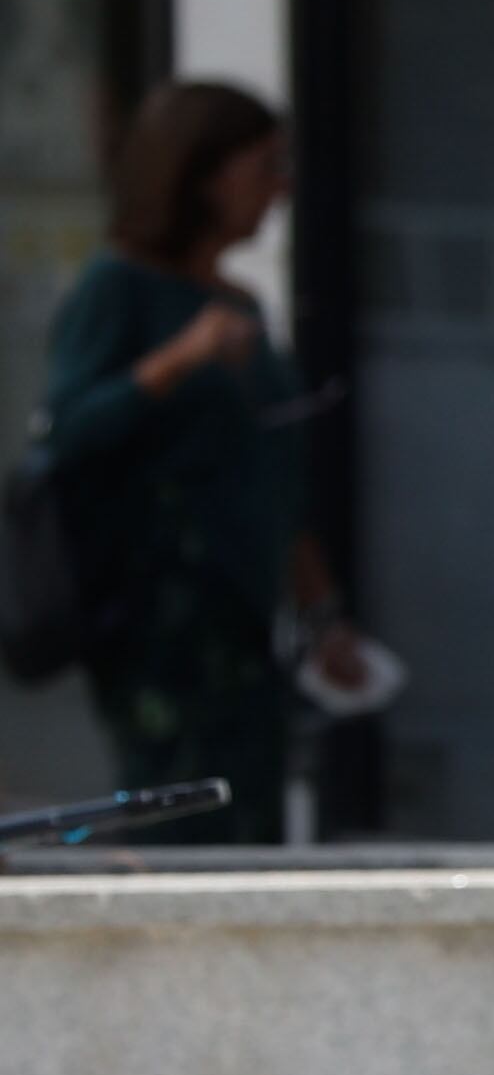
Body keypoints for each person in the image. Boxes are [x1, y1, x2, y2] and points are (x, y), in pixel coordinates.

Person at [31, 81, 370, 839]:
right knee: (173, 813)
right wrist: (177, 361)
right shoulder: (118, 288)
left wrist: (322, 613)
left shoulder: (241, 305)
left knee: (249, 812)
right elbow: (68, 432)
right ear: (203, 175)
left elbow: (278, 472)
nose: (279, 191)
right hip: (160, 620)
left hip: (246, 615)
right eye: (264, 168)